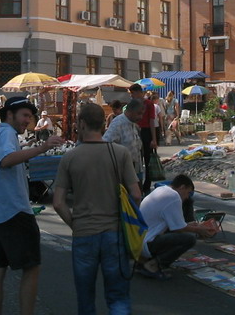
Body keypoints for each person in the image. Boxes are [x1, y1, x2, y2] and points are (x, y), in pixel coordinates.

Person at [53, 103, 141, 315]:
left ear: (81, 124)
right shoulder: (120, 153)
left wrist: (75, 224)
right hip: (114, 232)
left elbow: (58, 202)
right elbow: (136, 194)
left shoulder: (69, 157)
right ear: (103, 124)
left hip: (84, 233)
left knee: (86, 299)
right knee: (118, 297)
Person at [0, 96, 63, 315]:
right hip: (13, 211)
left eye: (30, 116)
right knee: (31, 267)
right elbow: (6, 160)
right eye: (25, 115)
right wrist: (42, 148)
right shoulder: (7, 133)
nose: (28, 120)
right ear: (10, 114)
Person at [138, 174, 216, 279]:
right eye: (188, 193)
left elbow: (172, 224)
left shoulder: (161, 190)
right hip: (147, 243)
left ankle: (144, 261)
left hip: (138, 240)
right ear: (182, 187)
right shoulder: (173, 196)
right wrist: (199, 230)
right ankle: (153, 265)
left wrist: (190, 225)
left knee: (185, 232)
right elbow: (178, 228)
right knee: (189, 239)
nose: (187, 197)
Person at [103, 98, 144, 182]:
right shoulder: (118, 123)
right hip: (122, 172)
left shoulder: (133, 124)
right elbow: (106, 143)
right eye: (139, 113)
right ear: (130, 111)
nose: (141, 117)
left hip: (136, 169)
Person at [128, 83, 156, 194]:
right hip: (135, 131)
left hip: (146, 131)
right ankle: (137, 182)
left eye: (132, 93)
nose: (131, 96)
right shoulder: (132, 104)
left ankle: (147, 184)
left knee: (148, 159)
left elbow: (152, 121)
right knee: (136, 158)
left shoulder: (148, 104)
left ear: (138, 92)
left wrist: (154, 138)